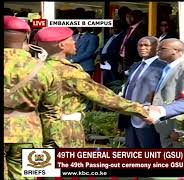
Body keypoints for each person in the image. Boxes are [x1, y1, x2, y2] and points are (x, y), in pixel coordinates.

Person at [34, 27, 150, 148]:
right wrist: (142, 110)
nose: (74, 42)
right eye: (71, 39)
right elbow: (104, 97)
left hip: (38, 128)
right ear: (62, 45)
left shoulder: (35, 69)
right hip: (64, 131)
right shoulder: (70, 72)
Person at [4, 16, 62, 179]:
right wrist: (50, 145)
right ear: (27, 37)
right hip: (29, 134)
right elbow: (51, 113)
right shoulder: (44, 70)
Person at [117, 36, 167, 148]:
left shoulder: (163, 67)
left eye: (146, 45)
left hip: (147, 117)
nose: (142, 48)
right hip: (129, 115)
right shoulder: (135, 66)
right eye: (140, 45)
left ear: (156, 48)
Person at [152, 38, 184, 148]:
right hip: (163, 124)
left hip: (174, 128)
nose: (158, 51)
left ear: (176, 51)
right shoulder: (166, 68)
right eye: (158, 48)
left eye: (162, 48)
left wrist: (180, 129)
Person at [100, 20, 126, 85]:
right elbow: (105, 48)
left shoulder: (122, 37)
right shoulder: (111, 36)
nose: (112, 29)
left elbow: (116, 52)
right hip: (106, 63)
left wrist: (102, 56)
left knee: (113, 83)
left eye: (114, 27)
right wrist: (98, 54)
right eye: (111, 28)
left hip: (114, 63)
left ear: (120, 27)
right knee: (106, 83)